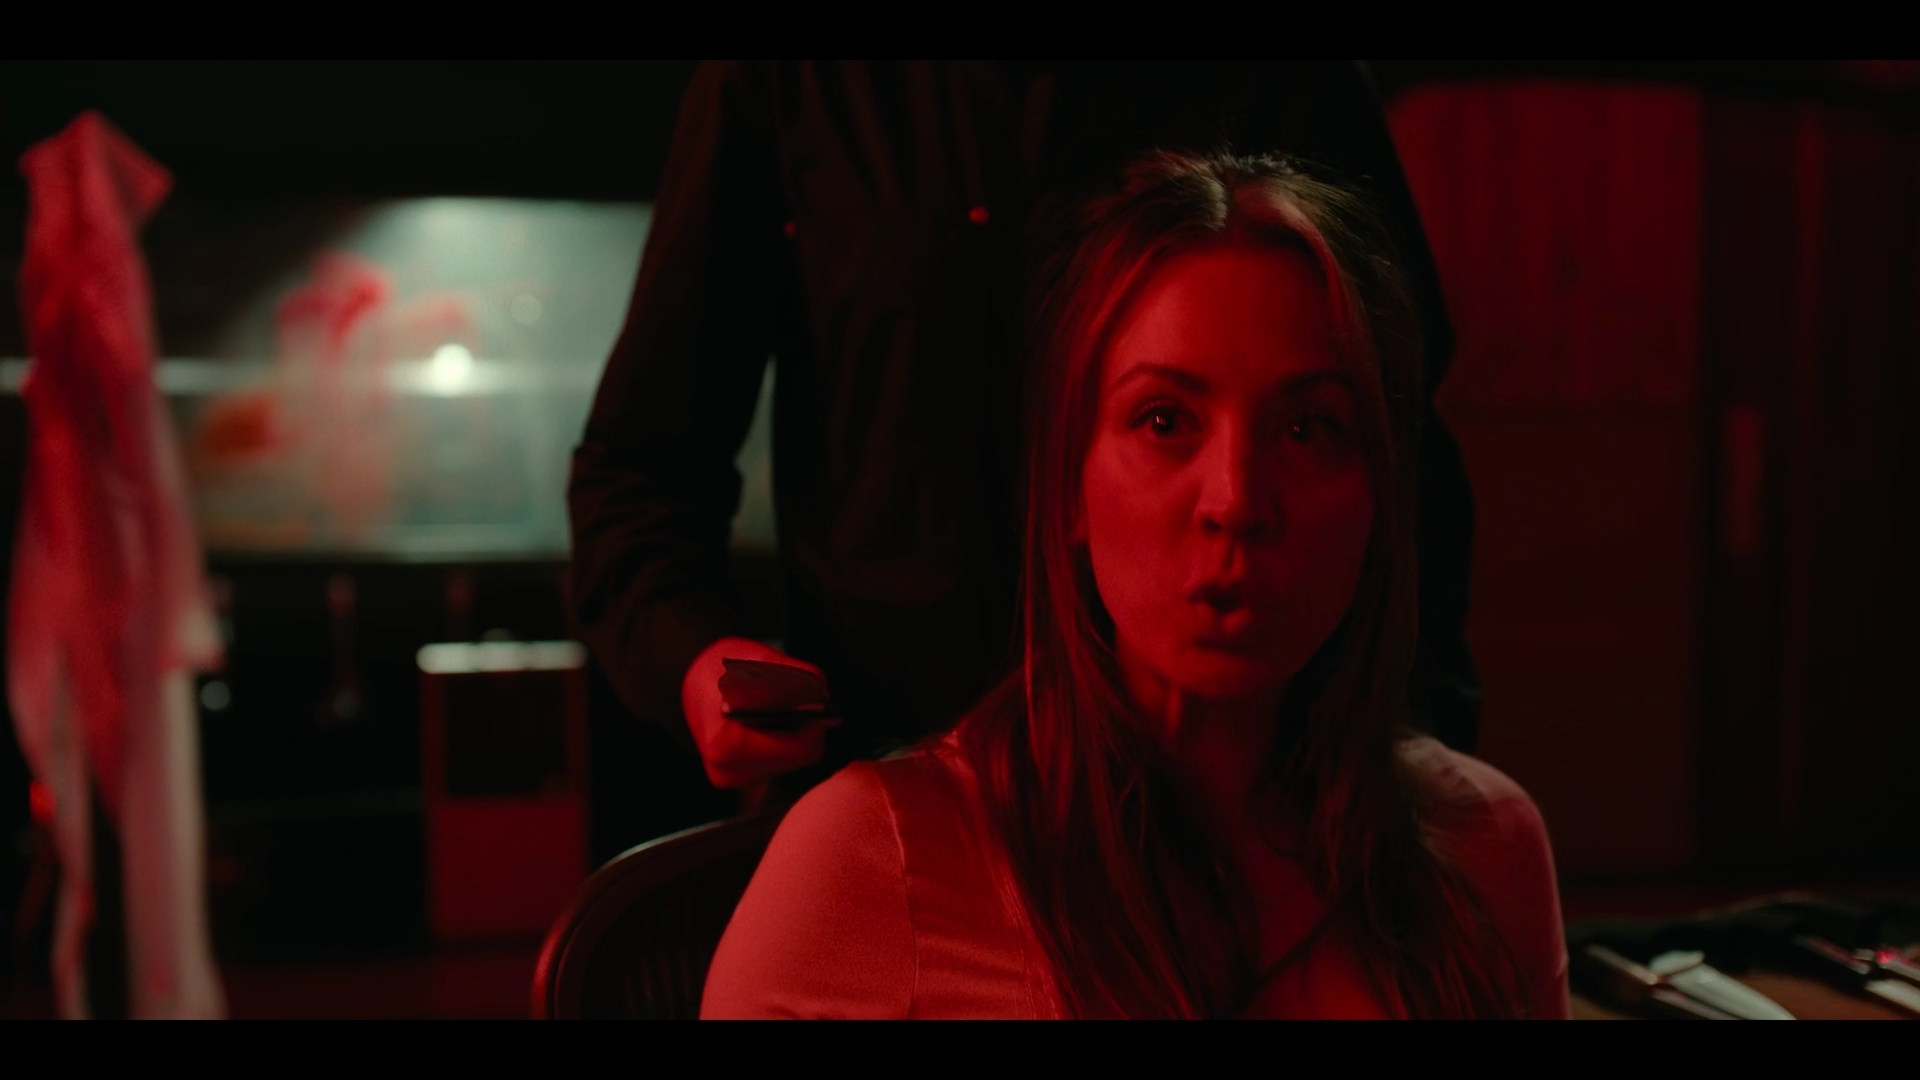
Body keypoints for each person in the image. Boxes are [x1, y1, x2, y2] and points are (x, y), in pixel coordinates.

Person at [701, 151, 1567, 1019]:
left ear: (1380, 496)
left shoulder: (1483, 845)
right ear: (1068, 489)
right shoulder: (871, 865)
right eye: (1164, 420)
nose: (1236, 500)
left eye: (1307, 429)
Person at [567, 63, 1484, 802]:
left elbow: (1405, 449)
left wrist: (1413, 742)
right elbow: (638, 470)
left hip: (1249, 797)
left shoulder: (1287, 80)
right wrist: (696, 662)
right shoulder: (790, 80)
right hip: (895, 782)